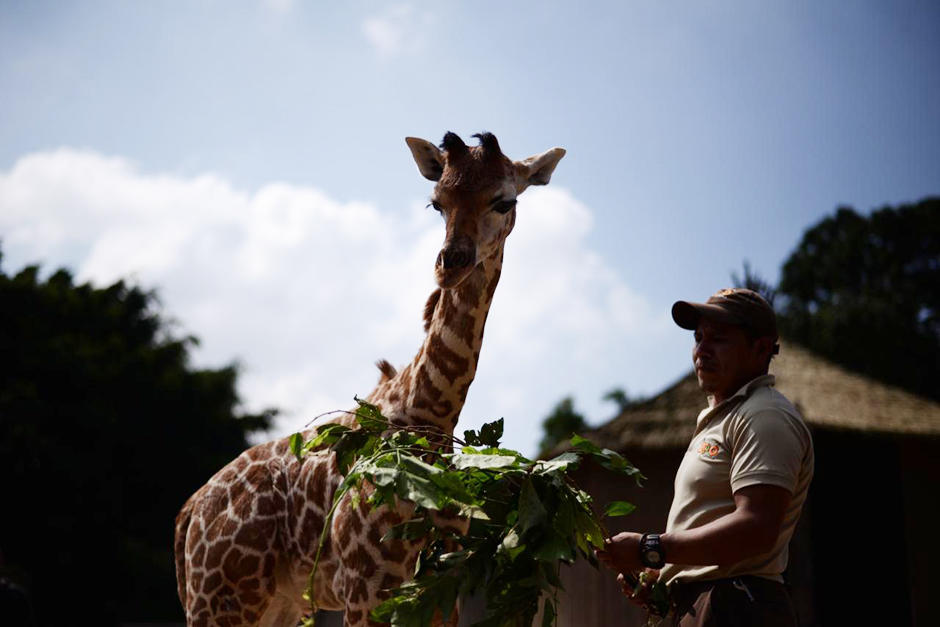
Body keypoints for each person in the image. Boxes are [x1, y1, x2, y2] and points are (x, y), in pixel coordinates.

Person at [596, 288, 814, 626]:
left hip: (738, 606)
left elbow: (756, 528)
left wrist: (648, 548)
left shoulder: (764, 415)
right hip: (711, 605)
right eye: (698, 338)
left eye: (719, 339)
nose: (701, 350)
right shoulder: (721, 420)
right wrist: (663, 577)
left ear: (760, 348)